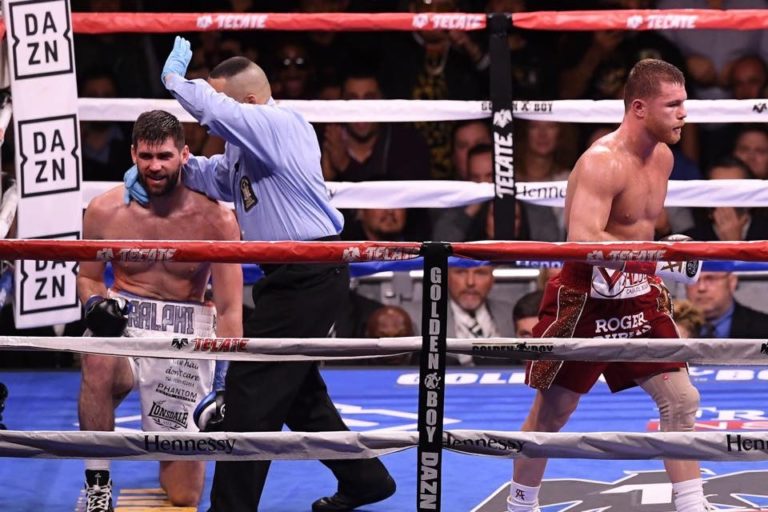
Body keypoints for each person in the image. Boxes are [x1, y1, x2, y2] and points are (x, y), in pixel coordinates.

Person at [125, 37, 395, 512]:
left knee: (250, 394)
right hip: (289, 279)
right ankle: (365, 478)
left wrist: (175, 81)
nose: (212, 122)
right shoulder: (246, 149)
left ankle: (230, 508)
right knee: (300, 397)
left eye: (225, 103)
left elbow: (213, 110)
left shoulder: (281, 124)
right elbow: (217, 178)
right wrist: (174, 170)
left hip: (309, 274)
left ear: (248, 103)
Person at [506, 59, 708, 512]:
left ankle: (692, 506)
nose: (683, 114)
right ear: (639, 108)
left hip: (637, 293)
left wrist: (667, 250)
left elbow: (638, 230)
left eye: (684, 103)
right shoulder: (602, 162)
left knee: (682, 400)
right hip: (585, 299)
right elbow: (583, 239)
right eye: (672, 105)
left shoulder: (663, 157)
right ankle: (520, 505)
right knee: (552, 415)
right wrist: (654, 256)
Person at [78, 110, 243, 512]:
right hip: (127, 322)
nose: (155, 166)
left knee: (183, 495)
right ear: (133, 154)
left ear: (184, 155)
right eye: (147, 156)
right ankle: (98, 484)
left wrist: (225, 381)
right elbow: (88, 277)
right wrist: (95, 305)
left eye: (165, 156)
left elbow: (228, 307)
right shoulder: (104, 210)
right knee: (97, 354)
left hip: (185, 334)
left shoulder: (215, 219)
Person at [685, 271, 768, 338]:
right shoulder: (678, 329)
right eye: (693, 280)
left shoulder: (764, 328)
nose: (701, 288)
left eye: (711, 278)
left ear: (732, 282)